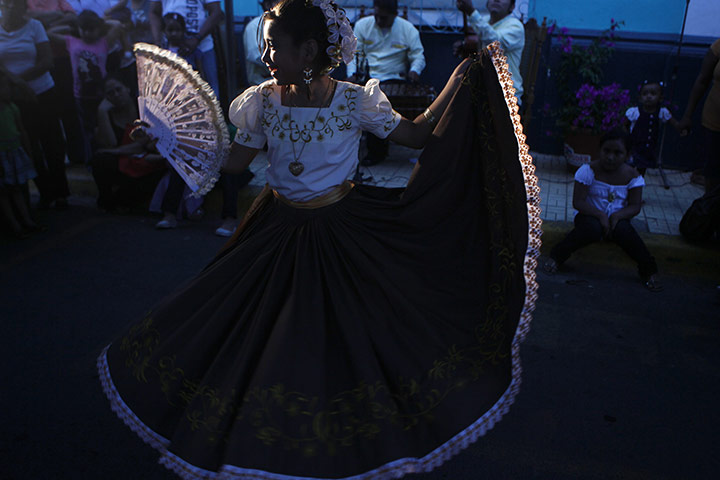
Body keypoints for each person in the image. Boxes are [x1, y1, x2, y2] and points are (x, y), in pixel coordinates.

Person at [97, 0, 538, 478]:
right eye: (265, 46)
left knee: (343, 337)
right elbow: (234, 165)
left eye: (273, 47)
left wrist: (458, 81)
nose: (265, 56)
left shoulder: (355, 100)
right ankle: (262, 435)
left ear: (307, 50)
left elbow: (413, 137)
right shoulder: (261, 100)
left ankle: (339, 436)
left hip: (340, 229)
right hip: (277, 229)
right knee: (251, 329)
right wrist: (169, 140)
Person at [544, 129, 662, 291]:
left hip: (617, 219)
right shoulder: (588, 171)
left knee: (626, 233)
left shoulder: (632, 176)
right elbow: (578, 202)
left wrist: (617, 216)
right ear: (599, 150)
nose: (610, 157)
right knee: (591, 229)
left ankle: (649, 271)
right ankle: (557, 257)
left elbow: (635, 206)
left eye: (617, 153)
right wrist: (600, 215)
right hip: (589, 216)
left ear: (627, 155)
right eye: (606, 151)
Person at [0, 0, 69, 209]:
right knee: (29, 147)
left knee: (52, 143)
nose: (11, 8)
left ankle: (61, 193)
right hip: (15, 97)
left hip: (42, 92)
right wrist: (19, 83)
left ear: (24, 8)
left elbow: (47, 61)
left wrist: (21, 79)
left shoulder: (34, 27)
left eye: (15, 5)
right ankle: (45, 192)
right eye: (6, 4)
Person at [345, 0, 426, 165]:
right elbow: (352, 54)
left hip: (395, 78)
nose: (379, 21)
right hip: (368, 76)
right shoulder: (362, 25)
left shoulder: (407, 28)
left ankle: (389, 145)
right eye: (376, 16)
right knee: (370, 101)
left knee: (381, 102)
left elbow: (418, 55)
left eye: (383, 17)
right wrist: (352, 74)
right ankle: (372, 152)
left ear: (394, 15)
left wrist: (414, 70)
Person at [48, 9, 124, 166]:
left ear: (98, 29)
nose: (87, 33)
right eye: (84, 29)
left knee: (104, 127)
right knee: (87, 131)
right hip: (81, 96)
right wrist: (72, 25)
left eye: (91, 29)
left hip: (101, 94)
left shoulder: (104, 42)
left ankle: (110, 158)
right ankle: (92, 160)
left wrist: (101, 22)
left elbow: (117, 25)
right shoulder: (72, 42)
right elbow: (49, 33)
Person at [92, 75, 167, 212]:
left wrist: (116, 151)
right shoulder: (107, 114)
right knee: (100, 160)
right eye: (110, 93)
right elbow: (111, 143)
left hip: (147, 163)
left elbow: (141, 144)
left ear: (127, 89)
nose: (116, 95)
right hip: (126, 164)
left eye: (118, 89)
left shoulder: (144, 111)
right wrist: (102, 112)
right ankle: (108, 201)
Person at [0, 68, 43, 239]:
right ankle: (14, 224)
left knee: (17, 187)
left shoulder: (12, 108)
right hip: (1, 155)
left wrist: (28, 151)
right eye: (3, 87)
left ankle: (27, 220)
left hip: (14, 152)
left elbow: (21, 130)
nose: (7, 91)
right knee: (3, 192)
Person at [148, 0, 223, 96]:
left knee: (209, 91)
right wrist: (158, 41)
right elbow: (154, 12)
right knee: (170, 91)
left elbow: (216, 12)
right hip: (170, 48)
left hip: (203, 47)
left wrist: (197, 38)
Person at [455, 0, 524, 102]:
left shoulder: (516, 26)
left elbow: (495, 43)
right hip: (482, 89)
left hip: (506, 95)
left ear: (512, 6)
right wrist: (464, 46)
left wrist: (471, 12)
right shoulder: (485, 21)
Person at [678, 38, 720, 194]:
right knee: (712, 173)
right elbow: (702, 80)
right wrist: (688, 115)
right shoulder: (718, 46)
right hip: (714, 123)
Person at [625, 80, 679, 175]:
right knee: (629, 168)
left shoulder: (661, 112)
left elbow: (674, 123)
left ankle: (638, 184)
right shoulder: (635, 112)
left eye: (653, 94)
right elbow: (624, 125)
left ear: (660, 98)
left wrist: (682, 128)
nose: (649, 96)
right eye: (645, 94)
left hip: (650, 148)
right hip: (635, 147)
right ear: (640, 98)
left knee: (642, 169)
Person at [243, 0, 278, 87]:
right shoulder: (254, 26)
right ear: (267, 4)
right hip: (261, 85)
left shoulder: (285, 25)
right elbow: (257, 57)